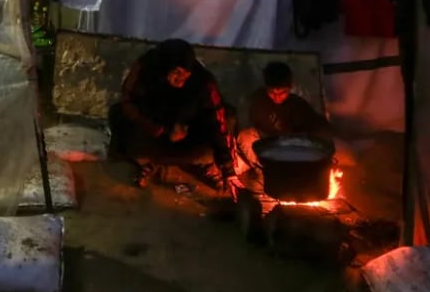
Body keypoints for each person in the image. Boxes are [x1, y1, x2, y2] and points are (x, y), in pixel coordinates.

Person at [106, 39, 236, 190]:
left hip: (188, 138)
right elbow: (128, 102)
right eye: (176, 73)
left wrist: (227, 167)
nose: (181, 78)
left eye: (185, 74)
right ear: (164, 68)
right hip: (153, 133)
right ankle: (146, 164)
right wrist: (162, 130)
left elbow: (217, 115)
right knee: (118, 114)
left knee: (229, 117)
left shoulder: (202, 80)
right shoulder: (146, 69)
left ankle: (202, 165)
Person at [235, 61, 333, 172]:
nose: (277, 97)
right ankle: (265, 171)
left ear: (290, 88)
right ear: (266, 88)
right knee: (245, 136)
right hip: (264, 148)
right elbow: (248, 128)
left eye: (282, 92)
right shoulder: (258, 100)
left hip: (291, 150)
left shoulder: (297, 104)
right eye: (272, 92)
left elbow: (319, 126)